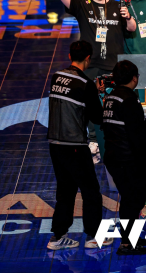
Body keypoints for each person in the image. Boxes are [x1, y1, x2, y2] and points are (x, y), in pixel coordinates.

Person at [56, 0, 136, 156]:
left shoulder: (117, 6)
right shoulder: (82, 5)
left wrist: (127, 16)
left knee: (114, 102)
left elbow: (132, 28)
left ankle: (113, 137)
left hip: (112, 64)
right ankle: (93, 139)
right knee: (92, 103)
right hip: (91, 64)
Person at [46, 41, 108, 250]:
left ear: (70, 55)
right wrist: (99, 95)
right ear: (88, 58)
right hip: (74, 144)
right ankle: (93, 236)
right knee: (91, 191)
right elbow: (97, 117)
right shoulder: (85, 83)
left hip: (55, 143)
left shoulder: (56, 76)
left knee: (65, 190)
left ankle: (58, 236)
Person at [101, 60, 146, 255]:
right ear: (135, 78)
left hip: (114, 157)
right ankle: (128, 242)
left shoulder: (111, 98)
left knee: (130, 199)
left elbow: (126, 123)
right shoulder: (129, 99)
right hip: (127, 159)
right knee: (133, 200)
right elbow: (135, 133)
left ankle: (131, 237)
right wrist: (145, 161)